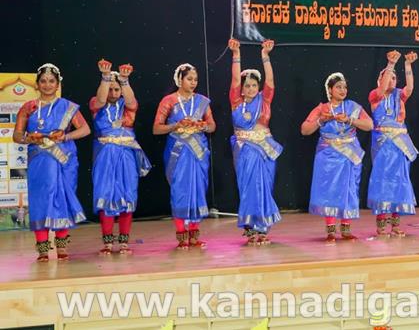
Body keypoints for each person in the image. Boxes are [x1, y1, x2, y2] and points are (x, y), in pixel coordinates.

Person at [13, 64, 90, 261]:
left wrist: (64, 137)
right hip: (39, 160)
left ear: (58, 84)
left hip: (64, 160)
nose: (47, 85)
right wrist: (29, 138)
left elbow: (85, 130)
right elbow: (17, 136)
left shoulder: (68, 107)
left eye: (51, 81)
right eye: (43, 81)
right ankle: (43, 249)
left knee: (62, 198)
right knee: (41, 199)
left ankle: (62, 246)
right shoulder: (28, 107)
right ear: (37, 84)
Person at [301, 72, 373, 243]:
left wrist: (350, 120)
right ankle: (331, 231)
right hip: (327, 156)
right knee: (329, 192)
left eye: (345, 87)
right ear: (330, 90)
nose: (343, 90)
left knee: (348, 190)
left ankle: (346, 230)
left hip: (349, 156)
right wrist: (321, 121)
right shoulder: (322, 109)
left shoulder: (353, 107)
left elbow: (369, 125)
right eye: (338, 87)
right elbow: (305, 130)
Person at [90, 59, 151, 254]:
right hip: (105, 155)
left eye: (117, 90)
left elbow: (131, 101)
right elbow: (100, 100)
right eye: (110, 89)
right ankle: (107, 242)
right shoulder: (96, 104)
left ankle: (124, 241)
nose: (113, 93)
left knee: (127, 194)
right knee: (105, 193)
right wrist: (105, 77)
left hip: (126, 155)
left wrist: (124, 80)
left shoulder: (127, 105)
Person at [153, 63, 216, 249]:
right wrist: (176, 125)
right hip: (178, 152)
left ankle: (194, 236)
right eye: (189, 79)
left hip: (198, 152)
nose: (193, 82)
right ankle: (181, 235)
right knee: (180, 190)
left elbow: (212, 126)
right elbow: (156, 129)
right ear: (179, 79)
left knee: (198, 189)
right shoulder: (168, 101)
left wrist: (202, 126)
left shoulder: (202, 101)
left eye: (195, 79)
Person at [228, 39, 282, 246]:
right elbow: (235, 78)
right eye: (247, 85)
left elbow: (271, 80)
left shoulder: (264, 100)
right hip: (245, 150)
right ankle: (250, 227)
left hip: (265, 150)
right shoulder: (236, 102)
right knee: (248, 188)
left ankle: (264, 228)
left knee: (265, 187)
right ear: (241, 89)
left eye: (254, 85)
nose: (250, 88)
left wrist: (265, 56)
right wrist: (236, 54)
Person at [367, 50, 419, 237]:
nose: (391, 80)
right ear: (380, 80)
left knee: (399, 182)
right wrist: (390, 65)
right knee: (383, 182)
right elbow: (381, 90)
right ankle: (381, 226)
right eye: (388, 78)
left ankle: (395, 225)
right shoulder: (375, 95)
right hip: (383, 145)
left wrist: (407, 65)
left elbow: (410, 88)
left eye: (394, 78)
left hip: (400, 146)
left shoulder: (400, 95)